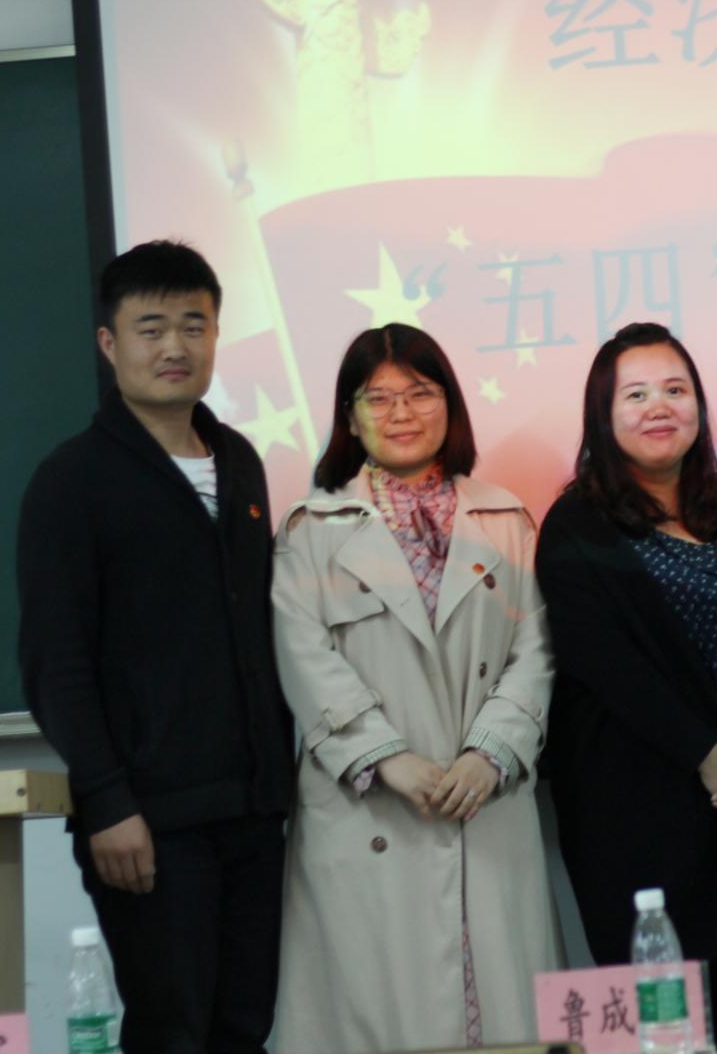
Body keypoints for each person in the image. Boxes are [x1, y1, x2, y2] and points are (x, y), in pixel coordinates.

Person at [17, 240, 294, 1054]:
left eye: (193, 325)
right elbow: (55, 661)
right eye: (151, 328)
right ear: (110, 344)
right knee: (172, 1030)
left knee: (244, 1027)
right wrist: (107, 800)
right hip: (148, 819)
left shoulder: (239, 461)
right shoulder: (72, 479)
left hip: (253, 809)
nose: (175, 346)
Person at [267, 324, 558, 1053]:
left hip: (482, 800)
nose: (401, 413)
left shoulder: (505, 518)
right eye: (378, 398)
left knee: (504, 1018)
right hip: (369, 808)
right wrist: (387, 758)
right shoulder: (310, 529)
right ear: (349, 415)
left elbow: (537, 649)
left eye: (420, 393)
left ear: (450, 405)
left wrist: (489, 753)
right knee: (374, 1015)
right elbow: (304, 657)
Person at [539, 322, 717, 1051]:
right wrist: (707, 755)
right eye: (635, 395)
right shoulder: (576, 524)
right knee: (643, 1029)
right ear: (603, 414)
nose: (659, 407)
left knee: (713, 1026)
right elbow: (604, 663)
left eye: (675, 389)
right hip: (634, 827)